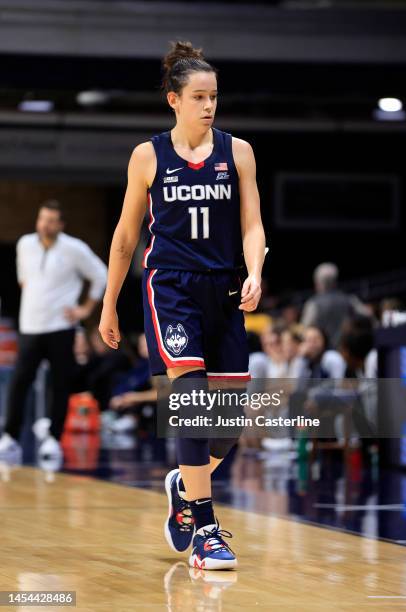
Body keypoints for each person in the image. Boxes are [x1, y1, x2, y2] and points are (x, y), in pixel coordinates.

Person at [99, 41, 265, 570]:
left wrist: (256, 272)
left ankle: (183, 486)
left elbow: (253, 225)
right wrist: (108, 307)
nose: (209, 105)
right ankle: (206, 528)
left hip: (225, 287)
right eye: (198, 97)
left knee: (228, 420)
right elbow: (126, 238)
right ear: (174, 100)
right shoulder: (148, 156)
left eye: (214, 96)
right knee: (190, 400)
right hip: (169, 285)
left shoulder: (238, 152)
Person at [0, 200, 107, 462]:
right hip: (30, 326)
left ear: (60, 224)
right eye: (41, 219)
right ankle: (10, 437)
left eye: (50, 220)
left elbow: (100, 274)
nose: (44, 225)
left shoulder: (74, 248)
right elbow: (23, 279)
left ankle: (53, 439)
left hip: (61, 327)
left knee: (59, 384)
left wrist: (84, 310)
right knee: (19, 383)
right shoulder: (25, 244)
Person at [301, 262, 369, 349]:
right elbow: (367, 315)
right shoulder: (348, 299)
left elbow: (304, 329)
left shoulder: (313, 303)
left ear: (318, 283)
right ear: (335, 281)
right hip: (346, 351)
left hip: (324, 353)